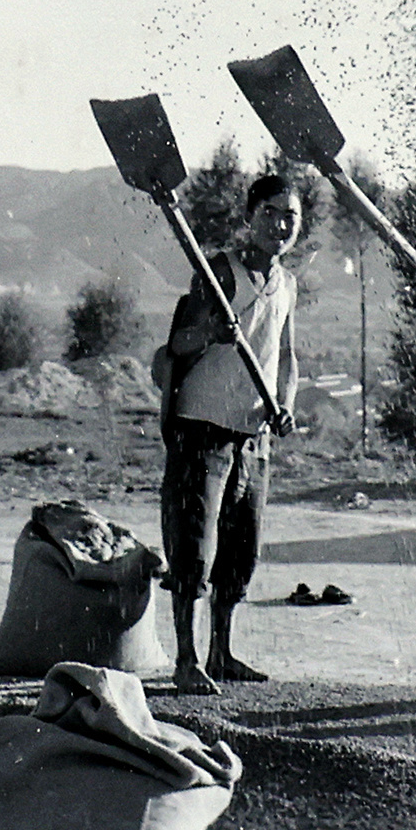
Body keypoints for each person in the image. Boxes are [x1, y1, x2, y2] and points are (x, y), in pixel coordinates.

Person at [159, 174, 300, 694]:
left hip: (252, 435)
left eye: (290, 216)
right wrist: (211, 334)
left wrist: (284, 404)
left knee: (240, 552)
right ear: (249, 217)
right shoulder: (222, 273)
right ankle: (186, 659)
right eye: (270, 213)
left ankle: (221, 652)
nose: (280, 224)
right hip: (204, 430)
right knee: (195, 548)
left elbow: (286, 356)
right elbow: (178, 342)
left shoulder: (285, 284)